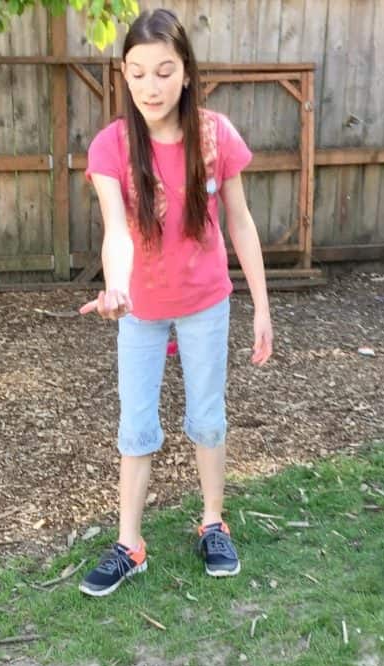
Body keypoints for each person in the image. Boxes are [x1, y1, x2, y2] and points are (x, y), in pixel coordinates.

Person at [78, 7, 273, 598]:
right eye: (136, 73)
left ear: (186, 72)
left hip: (205, 303)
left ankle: (213, 522)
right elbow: (115, 229)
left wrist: (262, 305)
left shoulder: (216, 136)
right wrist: (116, 287)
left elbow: (239, 223)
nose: (150, 86)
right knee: (135, 428)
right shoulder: (112, 145)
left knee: (207, 418)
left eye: (164, 71)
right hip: (140, 308)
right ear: (124, 75)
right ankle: (129, 545)